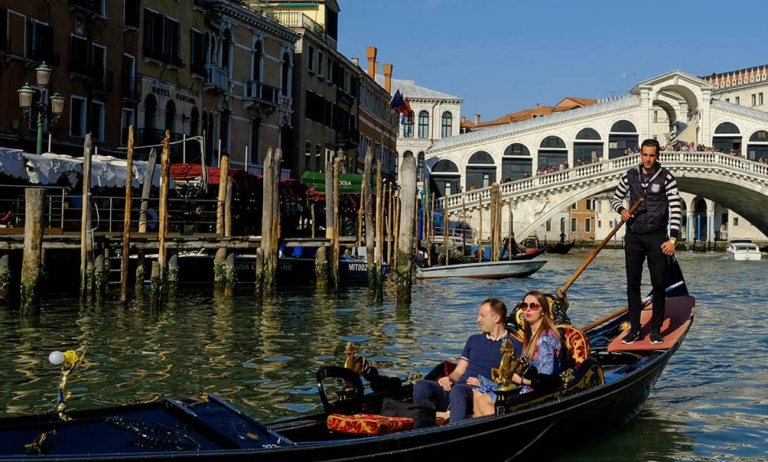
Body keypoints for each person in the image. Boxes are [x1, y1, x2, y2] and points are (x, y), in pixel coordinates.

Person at [611, 138, 681, 345]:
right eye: (645, 155)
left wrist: (673, 239)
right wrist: (622, 210)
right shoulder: (630, 175)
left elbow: (676, 208)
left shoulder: (667, 178)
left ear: (657, 155)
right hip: (633, 236)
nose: (648, 159)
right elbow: (615, 198)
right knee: (632, 284)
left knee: (658, 284)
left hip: (657, 237)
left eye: (652, 155)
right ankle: (635, 329)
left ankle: (657, 330)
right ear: (640, 154)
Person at [413, 298, 521, 424]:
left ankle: (454, 433)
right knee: (422, 386)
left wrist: (484, 385)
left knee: (458, 391)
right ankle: (422, 428)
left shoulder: (515, 345)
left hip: (480, 393)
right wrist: (449, 379)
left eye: (482, 316)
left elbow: (512, 381)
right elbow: (459, 372)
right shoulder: (473, 340)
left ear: (496, 318)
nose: (478, 320)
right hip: (458, 388)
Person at [473, 291, 562, 417]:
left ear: (543, 311)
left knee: (484, 400)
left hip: (538, 392)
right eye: (525, 306)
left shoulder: (546, 339)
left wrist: (520, 380)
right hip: (526, 385)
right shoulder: (532, 336)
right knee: (478, 391)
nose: (528, 310)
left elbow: (546, 380)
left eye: (534, 306)